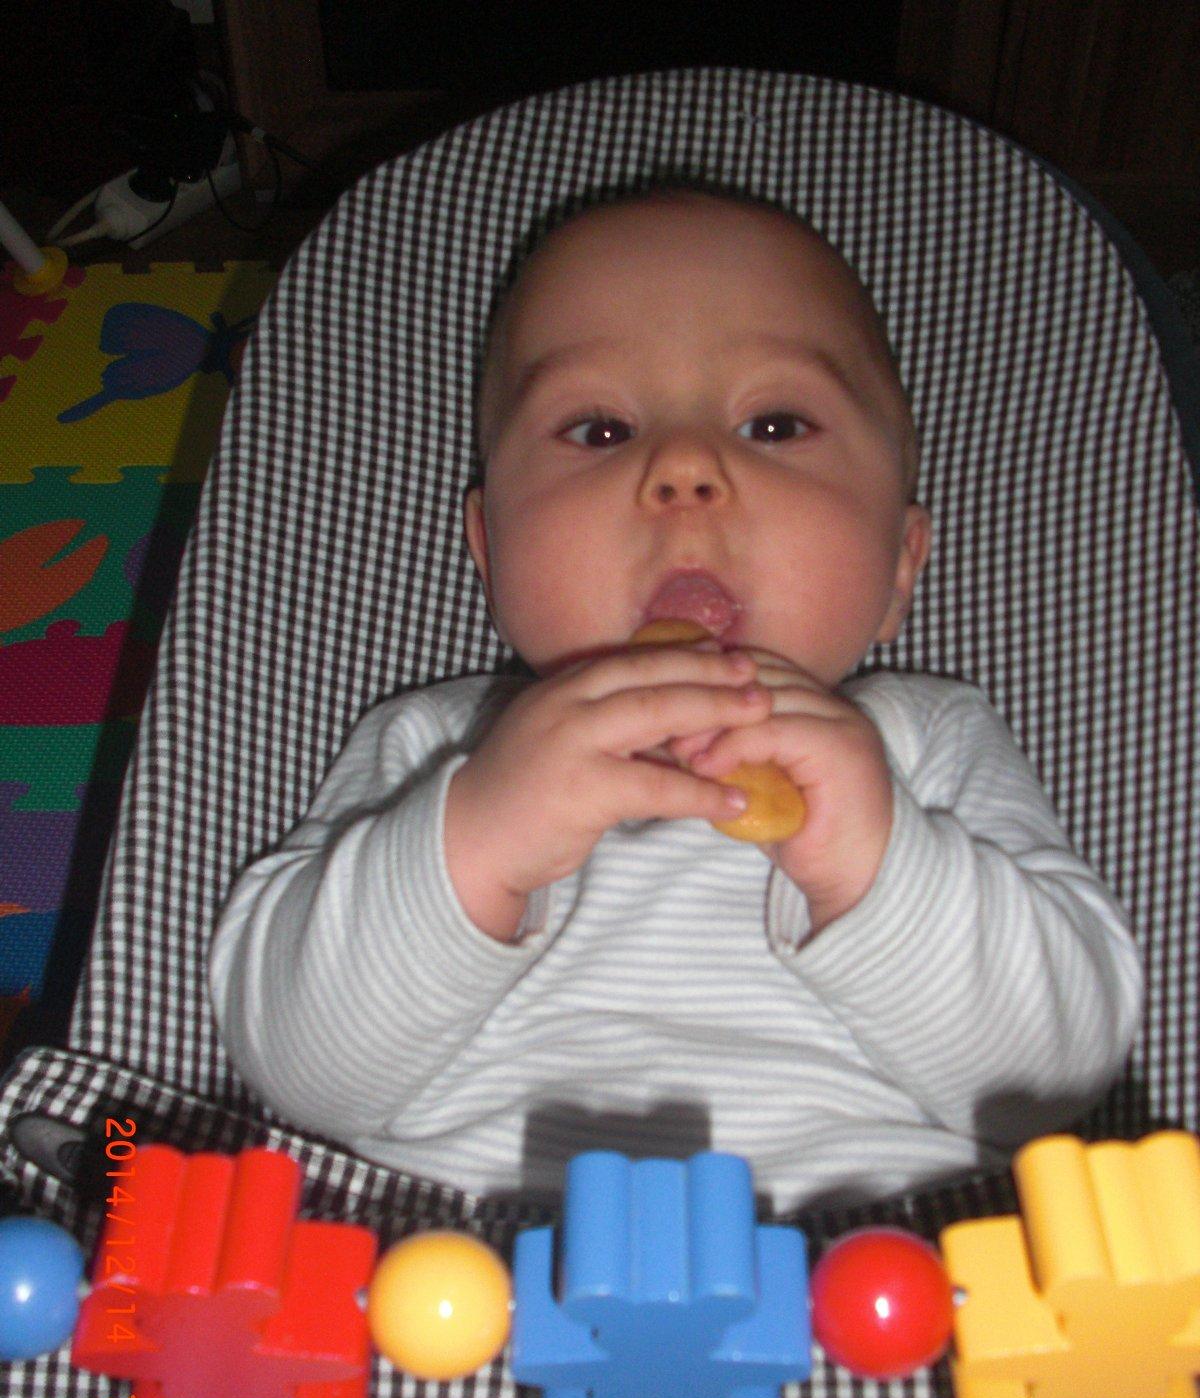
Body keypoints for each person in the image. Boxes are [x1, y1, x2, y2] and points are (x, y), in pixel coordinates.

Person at [208, 183, 1142, 1211]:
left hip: (865, 1276)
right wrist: (474, 846)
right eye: (599, 429)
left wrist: (878, 867)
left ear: (899, 565)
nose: (685, 468)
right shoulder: (444, 744)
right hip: (463, 1274)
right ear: (490, 549)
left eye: (775, 423)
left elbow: (1056, 1084)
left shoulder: (924, 738)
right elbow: (297, 1073)